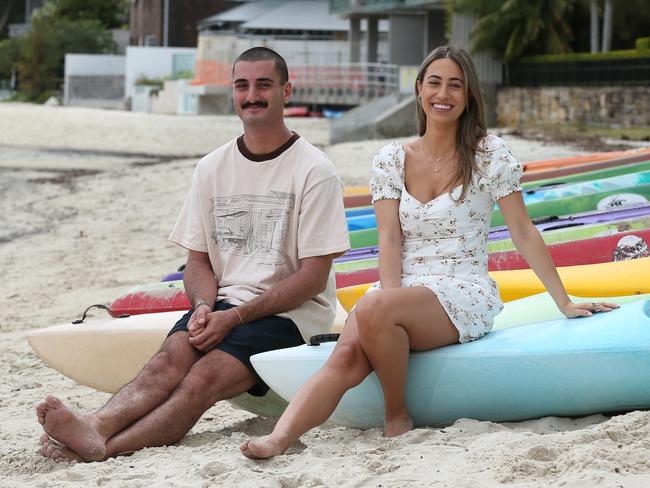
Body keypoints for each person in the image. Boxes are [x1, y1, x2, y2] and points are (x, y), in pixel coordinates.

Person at [240, 45, 619, 459]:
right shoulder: (390, 159)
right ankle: (280, 439)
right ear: (419, 90)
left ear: (469, 95)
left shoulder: (489, 155)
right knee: (346, 354)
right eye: (434, 83)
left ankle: (396, 414)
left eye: (455, 85)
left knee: (371, 313)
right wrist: (387, 300)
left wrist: (562, 301)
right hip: (401, 288)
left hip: (463, 288)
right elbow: (389, 238)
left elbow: (523, 232)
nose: (444, 93)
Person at [35, 46, 350, 462]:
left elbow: (312, 278)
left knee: (203, 377)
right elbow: (198, 261)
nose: (252, 95)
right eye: (242, 85)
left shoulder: (315, 170)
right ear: (232, 93)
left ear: (286, 91)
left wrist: (234, 317)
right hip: (220, 304)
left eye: (263, 85)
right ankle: (96, 426)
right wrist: (203, 305)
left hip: (291, 315)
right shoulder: (212, 167)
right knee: (164, 364)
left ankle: (105, 450)